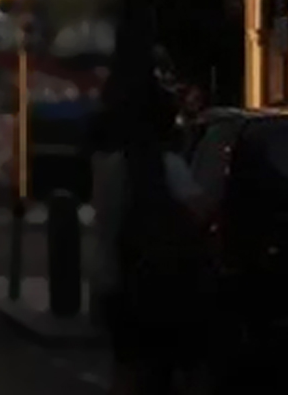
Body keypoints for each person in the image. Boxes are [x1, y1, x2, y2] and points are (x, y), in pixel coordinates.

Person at [90, 77, 212, 394]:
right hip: (156, 283)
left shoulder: (110, 166)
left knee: (127, 368)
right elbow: (199, 211)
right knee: (181, 364)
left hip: (116, 280)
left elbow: (104, 222)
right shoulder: (165, 166)